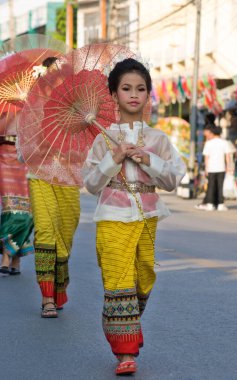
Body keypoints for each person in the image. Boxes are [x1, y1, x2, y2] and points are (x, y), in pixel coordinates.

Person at [83, 58, 186, 375]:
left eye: (140, 88)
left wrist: (147, 158)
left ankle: (125, 324)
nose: (133, 94)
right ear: (113, 94)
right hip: (113, 215)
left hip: (148, 215)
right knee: (118, 280)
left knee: (144, 275)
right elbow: (91, 184)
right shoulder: (103, 138)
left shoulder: (158, 139)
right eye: (126, 88)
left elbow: (172, 180)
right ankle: (125, 351)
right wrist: (113, 159)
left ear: (148, 94)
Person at [22, 56, 81, 318]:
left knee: (65, 237)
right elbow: (24, 147)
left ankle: (58, 287)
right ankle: (47, 297)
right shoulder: (32, 107)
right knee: (46, 233)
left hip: (69, 177)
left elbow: (86, 146)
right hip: (40, 175)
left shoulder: (79, 108)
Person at [0, 134, 34, 276]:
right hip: (4, 159)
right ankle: (7, 255)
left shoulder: (33, 112)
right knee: (10, 208)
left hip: (26, 157)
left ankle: (15, 258)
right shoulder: (4, 112)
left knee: (27, 212)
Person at [201, 124, 232, 211]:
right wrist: (228, 166)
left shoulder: (208, 143)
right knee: (220, 186)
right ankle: (220, 204)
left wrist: (206, 168)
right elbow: (228, 156)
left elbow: (206, 157)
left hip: (211, 168)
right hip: (221, 168)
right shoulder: (224, 142)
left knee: (211, 186)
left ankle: (210, 204)